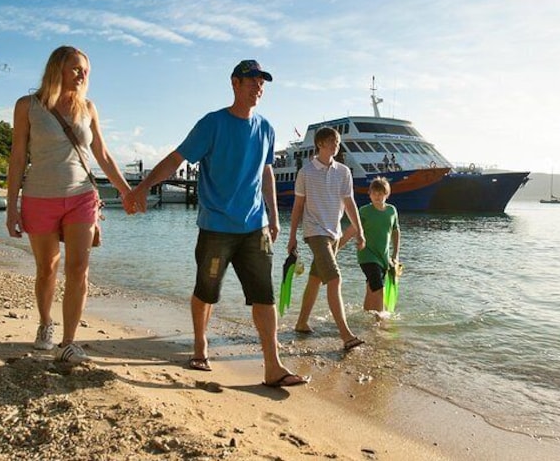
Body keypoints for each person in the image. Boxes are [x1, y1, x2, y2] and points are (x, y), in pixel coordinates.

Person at [125, 60, 308, 388]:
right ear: (235, 83)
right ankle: (200, 345)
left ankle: (273, 366)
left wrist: (274, 215)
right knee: (206, 291)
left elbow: (266, 172)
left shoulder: (266, 128)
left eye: (262, 82)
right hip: (216, 227)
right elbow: (176, 159)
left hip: (256, 226)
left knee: (264, 296)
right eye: (251, 80)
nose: (258, 87)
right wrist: (142, 188)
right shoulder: (212, 124)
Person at [6, 46, 131, 364]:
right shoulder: (28, 106)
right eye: (76, 68)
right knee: (47, 269)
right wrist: (11, 206)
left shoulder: (88, 108)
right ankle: (46, 324)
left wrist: (127, 191)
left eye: (86, 70)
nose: (82, 74)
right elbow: (18, 157)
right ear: (57, 68)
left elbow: (102, 154)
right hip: (39, 197)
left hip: (82, 197)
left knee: (79, 269)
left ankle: (69, 342)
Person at [287, 126, 366, 351]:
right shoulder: (306, 172)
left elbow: (350, 203)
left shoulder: (343, 172)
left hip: (334, 233)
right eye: (331, 142)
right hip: (314, 232)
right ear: (320, 144)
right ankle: (346, 335)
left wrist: (359, 231)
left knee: (315, 279)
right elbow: (298, 206)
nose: (335, 146)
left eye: (337, 142)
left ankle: (301, 322)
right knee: (334, 279)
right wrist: (292, 236)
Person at [340, 177, 400, 312]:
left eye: (380, 193)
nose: (377, 196)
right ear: (370, 194)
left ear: (387, 194)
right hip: (367, 255)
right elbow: (352, 229)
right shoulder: (364, 211)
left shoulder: (392, 211)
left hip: (383, 257)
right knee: (379, 288)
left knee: (371, 288)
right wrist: (337, 247)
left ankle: (366, 315)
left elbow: (396, 232)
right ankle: (380, 321)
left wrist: (395, 255)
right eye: (374, 193)